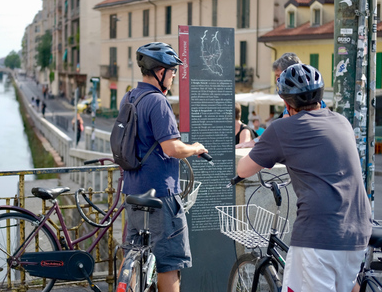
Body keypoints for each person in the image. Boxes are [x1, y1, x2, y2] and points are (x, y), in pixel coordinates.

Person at [236, 64, 372, 292]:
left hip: (319, 234)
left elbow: (244, 169)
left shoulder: (282, 128)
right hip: (358, 231)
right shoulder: (341, 121)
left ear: (287, 104)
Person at [123, 42, 208, 292]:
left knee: (133, 256)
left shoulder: (129, 97)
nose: (173, 76)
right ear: (159, 72)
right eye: (171, 71)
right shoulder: (157, 102)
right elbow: (172, 149)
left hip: (133, 191)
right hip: (161, 194)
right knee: (168, 263)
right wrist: (195, 147)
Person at [236, 53, 301, 148]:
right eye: (276, 76)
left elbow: (282, 126)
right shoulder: (296, 96)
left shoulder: (297, 97)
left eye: (279, 76)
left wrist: (254, 142)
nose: (276, 80)